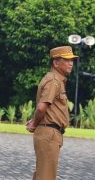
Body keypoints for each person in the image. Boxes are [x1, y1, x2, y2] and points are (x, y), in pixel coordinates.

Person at [26, 46, 78, 180]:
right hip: (49, 134)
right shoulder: (54, 81)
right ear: (55, 63)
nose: (71, 63)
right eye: (66, 60)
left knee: (42, 175)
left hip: (50, 133)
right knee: (46, 177)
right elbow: (42, 107)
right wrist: (34, 123)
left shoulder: (56, 80)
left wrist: (34, 122)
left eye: (72, 60)